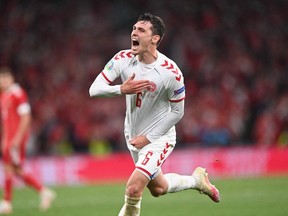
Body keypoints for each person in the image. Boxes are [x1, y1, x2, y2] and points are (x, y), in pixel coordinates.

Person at [89, 13, 220, 216]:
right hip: (133, 134)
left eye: (141, 30)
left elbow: (178, 112)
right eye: (134, 29)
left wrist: (149, 137)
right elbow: (94, 89)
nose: (134, 32)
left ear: (155, 38)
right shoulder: (122, 59)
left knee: (134, 187)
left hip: (160, 137)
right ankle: (197, 180)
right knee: (158, 188)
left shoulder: (171, 72)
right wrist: (120, 89)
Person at [0, 67, 56, 214]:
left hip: (16, 138)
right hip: (9, 138)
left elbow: (26, 117)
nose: (3, 81)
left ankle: (6, 202)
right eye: (2, 79)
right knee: (15, 169)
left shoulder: (18, 94)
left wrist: (17, 139)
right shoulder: (4, 96)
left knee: (10, 168)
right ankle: (43, 191)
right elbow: (6, 121)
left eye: (6, 78)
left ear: (11, 79)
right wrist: (5, 139)